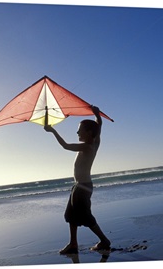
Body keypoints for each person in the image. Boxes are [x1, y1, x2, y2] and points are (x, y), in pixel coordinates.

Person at [44, 105, 111, 255]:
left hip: (83, 188)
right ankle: (73, 244)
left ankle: (104, 240)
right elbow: (98, 127)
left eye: (79, 130)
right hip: (79, 186)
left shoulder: (87, 147)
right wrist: (97, 115)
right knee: (71, 215)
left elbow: (65, 145)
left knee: (86, 216)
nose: (77, 132)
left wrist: (53, 130)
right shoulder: (95, 142)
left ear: (88, 133)